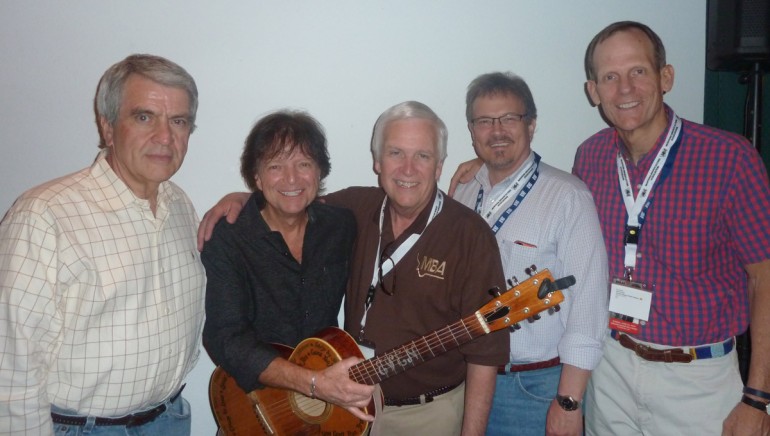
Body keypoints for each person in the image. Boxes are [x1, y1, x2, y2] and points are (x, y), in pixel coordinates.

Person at [198, 101, 510, 435]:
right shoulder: (349, 213)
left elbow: (486, 352)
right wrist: (241, 199)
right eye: (395, 153)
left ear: (439, 166)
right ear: (377, 161)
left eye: (422, 155)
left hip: (416, 414)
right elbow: (224, 336)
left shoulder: (466, 235)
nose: (408, 169)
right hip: (288, 406)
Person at [573, 21, 770, 435]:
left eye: (638, 71)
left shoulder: (730, 159)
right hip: (611, 368)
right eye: (610, 77)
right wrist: (487, 170)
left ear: (666, 77)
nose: (625, 89)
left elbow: (764, 280)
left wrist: (757, 397)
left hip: (698, 379)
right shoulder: (589, 158)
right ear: (594, 91)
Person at [0, 54, 205, 435]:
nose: (165, 137)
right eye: (144, 117)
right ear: (108, 127)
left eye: (178, 121)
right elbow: (9, 367)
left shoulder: (179, 206)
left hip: (169, 420)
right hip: (82, 428)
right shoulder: (44, 214)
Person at [451, 72, 608, 436]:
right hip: (464, 381)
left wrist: (568, 402)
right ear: (472, 131)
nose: (497, 130)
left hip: (532, 388)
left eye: (510, 118)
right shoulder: (462, 192)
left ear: (532, 124)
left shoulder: (568, 197)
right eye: (485, 121)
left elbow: (589, 305)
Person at [201, 111, 374, 429]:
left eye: (304, 164)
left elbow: (405, 193)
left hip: (321, 409)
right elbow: (224, 336)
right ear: (257, 176)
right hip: (254, 408)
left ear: (319, 172)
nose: (291, 179)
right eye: (275, 167)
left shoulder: (341, 225)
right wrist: (313, 383)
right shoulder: (229, 237)